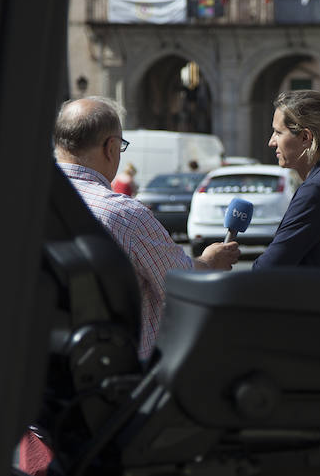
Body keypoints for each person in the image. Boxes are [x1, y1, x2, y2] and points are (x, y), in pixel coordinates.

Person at [52, 96, 240, 359]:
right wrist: (208, 261)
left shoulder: (30, 204)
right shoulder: (125, 214)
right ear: (111, 147)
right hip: (116, 371)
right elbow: (179, 283)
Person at [252, 91, 320, 273]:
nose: (271, 142)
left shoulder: (319, 188)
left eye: (278, 132)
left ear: (306, 137)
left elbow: (266, 270)